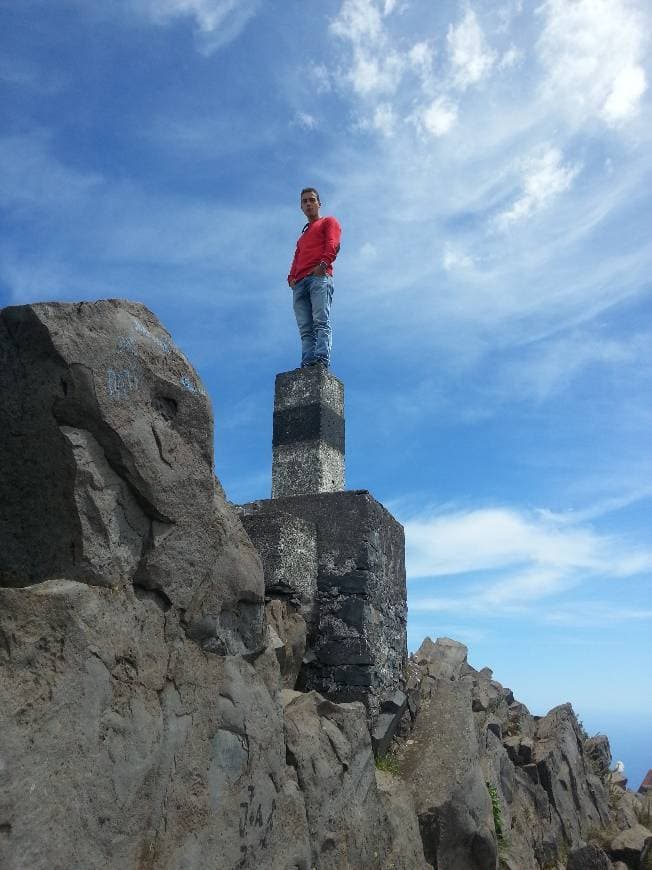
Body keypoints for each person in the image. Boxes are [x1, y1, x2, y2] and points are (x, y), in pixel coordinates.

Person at [287, 188, 341, 369]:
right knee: (305, 329)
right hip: (300, 283)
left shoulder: (328, 222)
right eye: (304, 201)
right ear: (301, 207)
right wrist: (291, 278)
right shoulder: (302, 237)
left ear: (319, 203)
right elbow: (297, 257)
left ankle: (321, 361)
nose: (308, 204)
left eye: (311, 200)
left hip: (318, 277)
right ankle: (308, 363)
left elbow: (333, 243)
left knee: (320, 321)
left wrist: (324, 265)